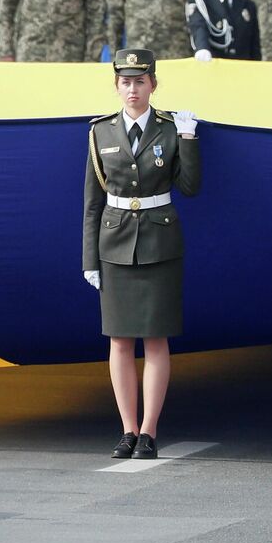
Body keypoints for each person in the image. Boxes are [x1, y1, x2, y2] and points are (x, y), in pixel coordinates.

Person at [82, 48, 201, 461]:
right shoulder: (100, 132)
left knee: (154, 340)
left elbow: (189, 187)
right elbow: (92, 203)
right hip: (114, 245)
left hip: (158, 241)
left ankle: (149, 431)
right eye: (125, 82)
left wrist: (188, 139)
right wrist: (89, 260)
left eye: (140, 81)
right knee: (118, 340)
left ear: (153, 84)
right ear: (117, 86)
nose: (132, 90)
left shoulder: (169, 129)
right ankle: (127, 430)